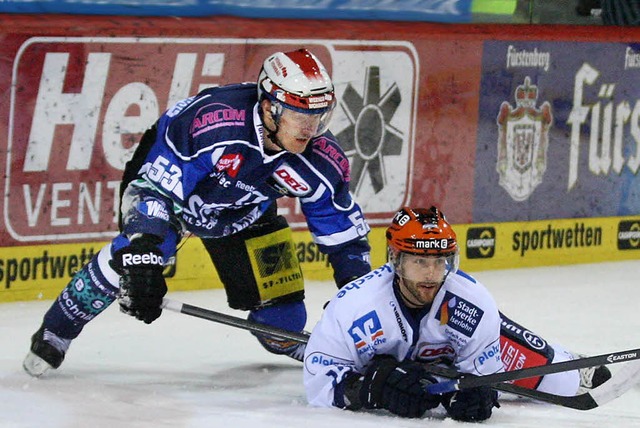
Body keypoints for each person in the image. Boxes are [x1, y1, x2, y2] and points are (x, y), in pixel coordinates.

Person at [23, 48, 372, 377]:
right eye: (300, 116)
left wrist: (357, 298)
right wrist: (143, 248)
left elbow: (345, 237)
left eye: (318, 116)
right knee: (132, 261)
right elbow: (154, 190)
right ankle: (56, 331)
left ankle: (294, 343)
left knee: (283, 323)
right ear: (269, 107)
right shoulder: (212, 124)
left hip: (244, 211)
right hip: (171, 195)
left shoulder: (321, 161)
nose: (310, 129)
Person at [303, 206, 611, 421]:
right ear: (395, 260)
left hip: (449, 352)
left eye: (440, 261)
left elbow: (482, 377)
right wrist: (369, 389)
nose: (431, 273)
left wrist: (471, 394)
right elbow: (318, 382)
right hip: (405, 355)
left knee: (564, 381)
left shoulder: (469, 302)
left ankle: (567, 362)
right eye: (419, 262)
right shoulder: (354, 305)